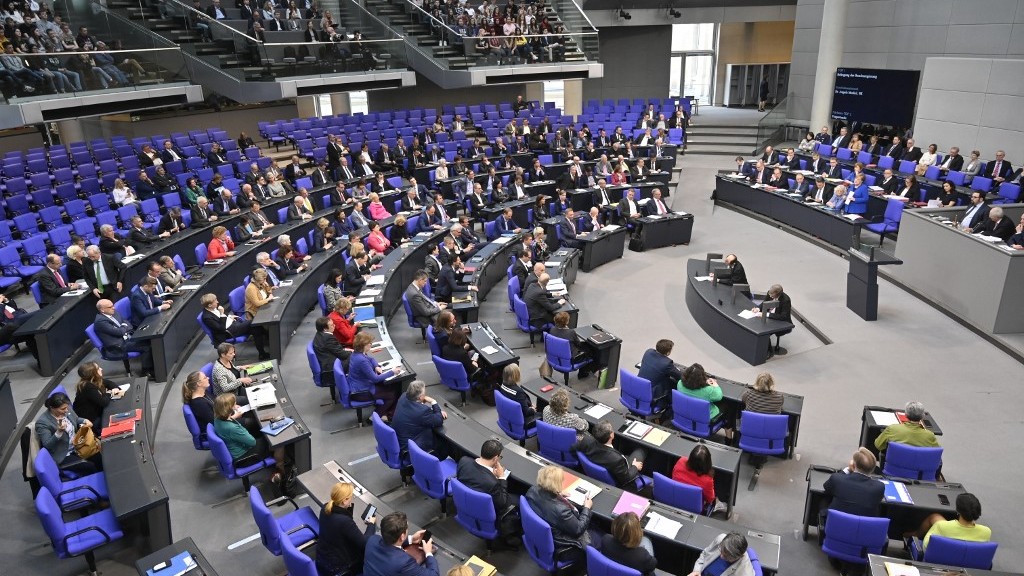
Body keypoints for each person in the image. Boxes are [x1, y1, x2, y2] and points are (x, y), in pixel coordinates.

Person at [524, 465, 596, 566]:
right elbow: (578, 529)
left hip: (544, 537)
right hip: (564, 546)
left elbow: (546, 503)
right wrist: (587, 508)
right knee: (600, 537)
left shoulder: (533, 490)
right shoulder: (561, 511)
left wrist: (557, 494)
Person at [455, 439, 521, 546]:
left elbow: (475, 478)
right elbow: (503, 503)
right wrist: (501, 478)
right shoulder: (492, 483)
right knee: (520, 500)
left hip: (466, 504)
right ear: (495, 458)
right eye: (500, 457)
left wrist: (491, 475)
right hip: (486, 512)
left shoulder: (464, 461)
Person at [213, 392, 287, 482]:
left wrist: (233, 416)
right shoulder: (232, 428)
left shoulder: (217, 419)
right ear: (229, 408)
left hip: (236, 449)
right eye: (234, 404)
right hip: (244, 456)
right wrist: (242, 429)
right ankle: (280, 470)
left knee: (261, 431)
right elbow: (252, 442)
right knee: (278, 441)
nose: (236, 405)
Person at [317, 482, 377, 576]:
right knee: (373, 549)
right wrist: (371, 524)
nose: (352, 498)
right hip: (340, 567)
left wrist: (347, 508)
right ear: (344, 500)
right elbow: (364, 543)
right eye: (351, 496)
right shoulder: (344, 522)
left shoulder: (325, 508)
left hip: (323, 559)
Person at [36, 392, 102, 475]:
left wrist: (85, 420)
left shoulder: (66, 409)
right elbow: (48, 445)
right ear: (52, 408)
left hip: (77, 446)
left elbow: (76, 419)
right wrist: (58, 432)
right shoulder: (43, 422)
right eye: (63, 409)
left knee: (99, 457)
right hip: (64, 454)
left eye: (66, 408)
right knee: (89, 466)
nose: (66, 410)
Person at [574, 420, 647, 491]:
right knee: (642, 449)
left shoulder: (586, 440)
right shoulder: (617, 459)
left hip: (597, 469)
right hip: (619, 482)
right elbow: (626, 479)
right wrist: (635, 466)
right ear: (611, 435)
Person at [362, 512, 438, 576]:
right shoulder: (404, 562)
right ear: (402, 536)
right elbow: (433, 574)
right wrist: (428, 552)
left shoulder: (372, 540)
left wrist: (411, 539)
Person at [908, 493, 991, 551]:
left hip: (939, 559)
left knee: (935, 517)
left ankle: (915, 534)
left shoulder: (941, 526)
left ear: (958, 511)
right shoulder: (986, 531)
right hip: (969, 561)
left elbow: (926, 545)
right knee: (935, 517)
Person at [94, 299, 154, 377]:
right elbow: (119, 332)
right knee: (147, 347)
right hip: (118, 346)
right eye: (110, 307)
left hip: (127, 338)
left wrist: (123, 327)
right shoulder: (100, 322)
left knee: (150, 340)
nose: (114, 308)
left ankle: (153, 366)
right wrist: (124, 327)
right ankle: (145, 372)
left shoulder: (113, 312)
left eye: (113, 305)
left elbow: (127, 323)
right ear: (102, 310)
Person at [349, 332, 402, 421]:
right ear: (363, 345)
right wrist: (392, 372)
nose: (371, 344)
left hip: (359, 386)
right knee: (392, 395)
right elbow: (375, 379)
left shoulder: (357, 354)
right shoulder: (361, 360)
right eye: (369, 343)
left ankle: (386, 414)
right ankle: (374, 417)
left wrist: (376, 366)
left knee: (390, 387)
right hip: (362, 392)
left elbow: (371, 359)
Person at [821, 447, 884, 521]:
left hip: (835, 526)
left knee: (824, 499)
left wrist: (847, 470)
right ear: (873, 469)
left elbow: (826, 487)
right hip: (864, 530)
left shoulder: (837, 479)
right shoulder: (879, 487)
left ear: (853, 465)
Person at [392, 381, 448, 460]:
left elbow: (417, 415)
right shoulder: (422, 411)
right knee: (444, 442)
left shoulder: (403, 396)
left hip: (400, 441)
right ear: (420, 397)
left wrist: (431, 412)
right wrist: (433, 402)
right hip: (410, 449)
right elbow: (438, 420)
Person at [71, 362, 122, 432]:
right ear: (93, 374)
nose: (101, 369)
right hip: (91, 419)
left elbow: (109, 383)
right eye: (98, 369)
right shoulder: (87, 387)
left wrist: (114, 388)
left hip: (96, 411)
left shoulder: (93, 380)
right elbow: (103, 402)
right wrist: (109, 393)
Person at [873, 401, 939, 453]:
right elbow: (937, 453)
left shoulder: (892, 429)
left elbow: (878, 445)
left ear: (905, 415)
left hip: (894, 467)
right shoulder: (930, 436)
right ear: (923, 416)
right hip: (918, 469)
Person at [687, 532, 754, 576]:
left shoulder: (745, 572)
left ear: (740, 556)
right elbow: (705, 554)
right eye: (721, 551)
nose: (721, 556)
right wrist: (697, 570)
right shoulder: (720, 539)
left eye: (726, 556)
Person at [672, 444, 717, 510]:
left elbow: (673, 477)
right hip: (693, 508)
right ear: (708, 462)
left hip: (674, 499)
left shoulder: (681, 461)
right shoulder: (707, 480)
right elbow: (710, 499)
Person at [550, 311, 592, 377]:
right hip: (571, 360)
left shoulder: (552, 330)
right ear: (567, 322)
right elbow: (578, 344)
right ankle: (582, 374)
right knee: (589, 349)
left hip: (556, 356)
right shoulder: (570, 332)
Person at [313, 316, 352, 387]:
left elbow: (334, 349)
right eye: (331, 325)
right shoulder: (328, 338)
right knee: (359, 357)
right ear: (325, 329)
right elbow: (343, 355)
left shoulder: (319, 334)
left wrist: (345, 349)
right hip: (331, 369)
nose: (334, 326)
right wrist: (353, 352)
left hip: (327, 363)